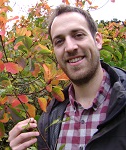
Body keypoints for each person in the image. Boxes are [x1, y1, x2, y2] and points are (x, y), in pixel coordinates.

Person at [8, 5, 126, 150]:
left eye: (78, 35)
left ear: (98, 40)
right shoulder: (49, 120)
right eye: (59, 41)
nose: (70, 47)